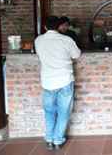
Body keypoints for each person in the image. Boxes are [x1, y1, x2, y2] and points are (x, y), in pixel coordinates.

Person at [34, 16, 81, 150]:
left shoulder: (38, 40)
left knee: (49, 112)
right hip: (65, 80)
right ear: (59, 26)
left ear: (45, 27)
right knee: (63, 112)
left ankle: (49, 139)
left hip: (47, 82)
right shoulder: (66, 40)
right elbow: (77, 55)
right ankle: (57, 140)